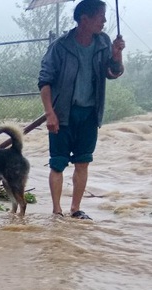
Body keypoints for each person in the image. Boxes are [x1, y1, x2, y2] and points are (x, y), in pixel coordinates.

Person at [38, 0, 125, 220]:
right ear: (84, 19)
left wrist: (116, 54)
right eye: (100, 16)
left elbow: (113, 73)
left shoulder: (104, 42)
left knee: (83, 161)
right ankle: (57, 211)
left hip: (89, 113)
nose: (104, 21)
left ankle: (75, 209)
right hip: (63, 113)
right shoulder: (60, 46)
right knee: (58, 162)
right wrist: (50, 113)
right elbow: (44, 81)